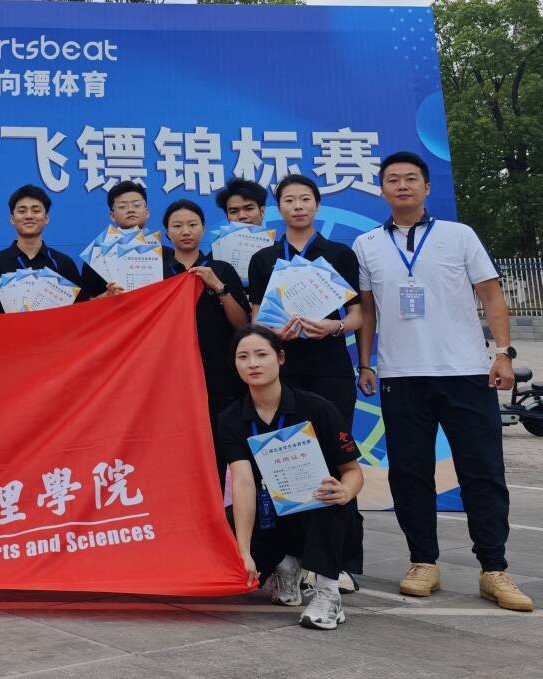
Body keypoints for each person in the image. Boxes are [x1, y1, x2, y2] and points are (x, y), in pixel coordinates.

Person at [353, 151, 533, 612]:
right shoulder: (367, 244)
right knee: (409, 473)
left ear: (427, 187)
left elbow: (491, 295)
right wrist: (366, 363)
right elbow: (367, 309)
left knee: (483, 470)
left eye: (411, 178)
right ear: (382, 190)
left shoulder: (459, 235)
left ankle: (493, 568)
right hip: (401, 375)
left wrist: (502, 353)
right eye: (392, 179)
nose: (402, 185)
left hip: (465, 372)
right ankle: (423, 562)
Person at [247, 174, 366, 592]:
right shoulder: (264, 259)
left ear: (316, 204)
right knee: (286, 462)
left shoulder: (339, 254)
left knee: (336, 460)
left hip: (331, 369)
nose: (297, 206)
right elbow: (257, 318)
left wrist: (334, 327)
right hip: (283, 372)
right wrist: (274, 332)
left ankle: (341, 561)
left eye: (305, 199)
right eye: (289, 200)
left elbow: (357, 314)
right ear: (278, 208)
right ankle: (293, 558)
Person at [218, 325, 364, 630]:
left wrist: (345, 492)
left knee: (327, 499)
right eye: (243, 357)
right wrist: (242, 551)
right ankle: (287, 566)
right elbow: (243, 482)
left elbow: (353, 472)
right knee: (226, 523)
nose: (253, 363)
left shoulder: (318, 408)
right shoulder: (231, 418)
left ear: (281, 358)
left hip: (322, 513)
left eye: (262, 354)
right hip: (271, 513)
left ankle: (328, 593)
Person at [161, 200, 250, 482]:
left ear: (203, 228)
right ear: (166, 233)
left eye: (192, 224)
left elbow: (242, 324)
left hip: (218, 375)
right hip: (168, 376)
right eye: (177, 226)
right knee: (173, 449)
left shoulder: (221, 269)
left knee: (218, 448)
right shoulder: (156, 270)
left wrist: (219, 288)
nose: (186, 231)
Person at [0, 184, 87, 314]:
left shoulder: (63, 263)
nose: (29, 216)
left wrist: (105, 296)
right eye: (22, 211)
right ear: (12, 219)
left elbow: (81, 308)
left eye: (36, 211)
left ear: (46, 218)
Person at [81, 180, 160, 299]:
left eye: (136, 205)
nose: (130, 210)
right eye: (122, 207)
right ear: (112, 216)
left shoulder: (166, 254)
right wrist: (106, 297)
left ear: (147, 212)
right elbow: (84, 305)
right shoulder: (96, 256)